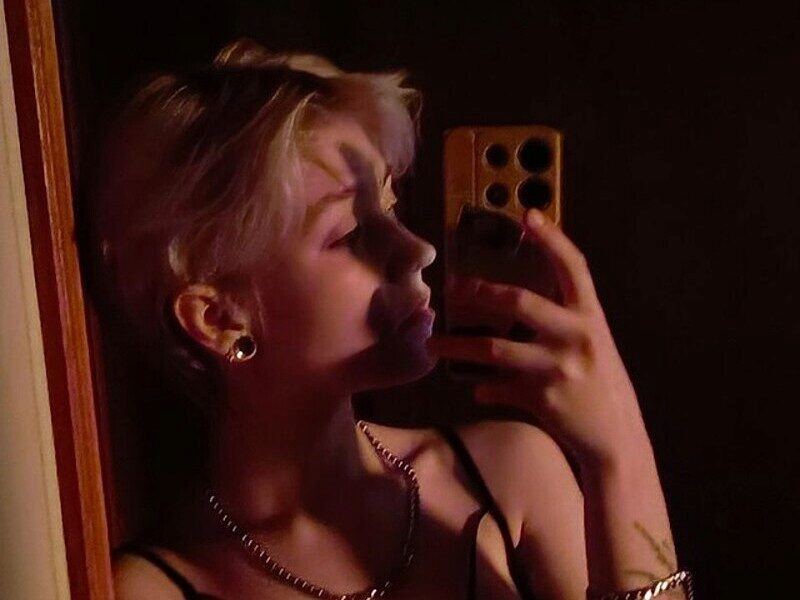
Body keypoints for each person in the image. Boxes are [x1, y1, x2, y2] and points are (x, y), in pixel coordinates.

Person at [84, 38, 693, 600]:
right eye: (351, 232)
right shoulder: (148, 589)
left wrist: (618, 452)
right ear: (218, 318)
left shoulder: (510, 476)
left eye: (390, 204)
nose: (417, 250)